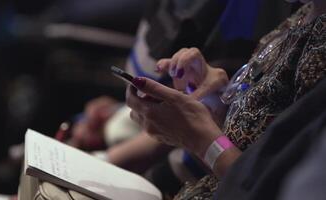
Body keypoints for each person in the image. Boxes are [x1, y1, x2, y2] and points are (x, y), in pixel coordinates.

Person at [126, 0, 326, 199]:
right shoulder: (304, 12)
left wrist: (201, 140)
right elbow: (254, 139)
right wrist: (214, 101)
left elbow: (268, 191)